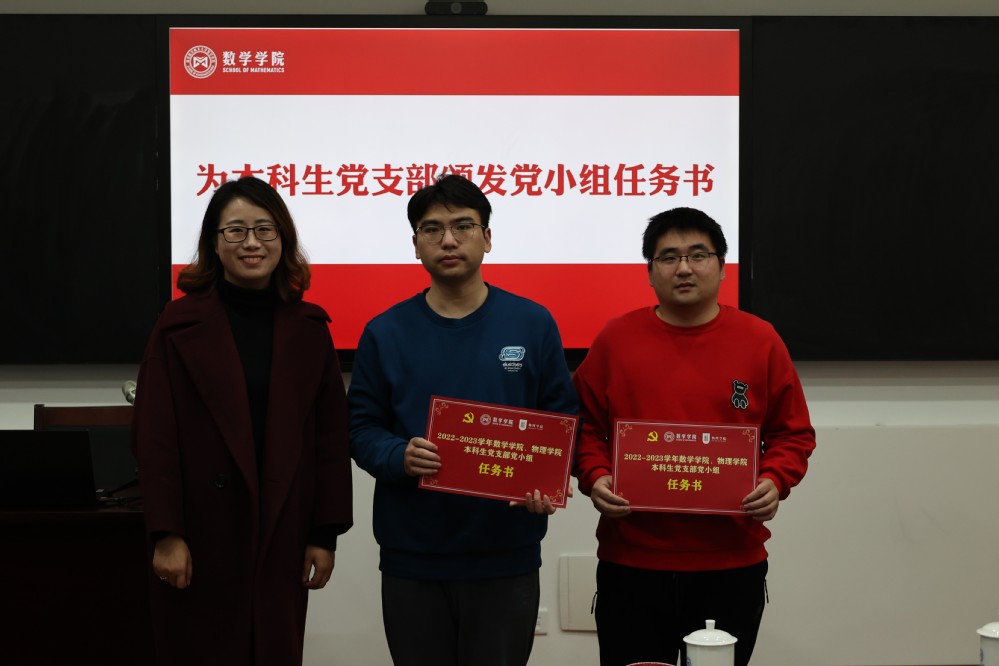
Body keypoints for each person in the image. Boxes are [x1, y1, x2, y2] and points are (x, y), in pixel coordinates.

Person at [348, 174, 578, 666]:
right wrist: (398, 455)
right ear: (415, 245)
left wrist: (549, 479)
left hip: (506, 550)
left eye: (462, 226)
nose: (448, 240)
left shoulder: (532, 323)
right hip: (413, 554)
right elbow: (361, 428)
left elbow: (562, 419)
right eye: (432, 229)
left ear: (487, 237)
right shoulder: (385, 332)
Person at [572, 207, 815, 666]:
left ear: (722, 266)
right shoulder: (615, 340)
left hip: (731, 563)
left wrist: (774, 479)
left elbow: (792, 433)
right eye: (668, 257)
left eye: (698, 255)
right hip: (632, 562)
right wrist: (596, 475)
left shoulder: (760, 340)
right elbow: (584, 427)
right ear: (650, 272)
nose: (683, 268)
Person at [131, 176, 353, 665]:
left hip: (283, 531)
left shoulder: (310, 329)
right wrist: (166, 533)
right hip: (200, 532)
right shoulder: (176, 326)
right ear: (214, 243)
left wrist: (324, 535)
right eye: (235, 231)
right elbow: (155, 439)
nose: (251, 242)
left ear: (283, 239)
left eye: (264, 229)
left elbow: (330, 441)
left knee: (272, 648)